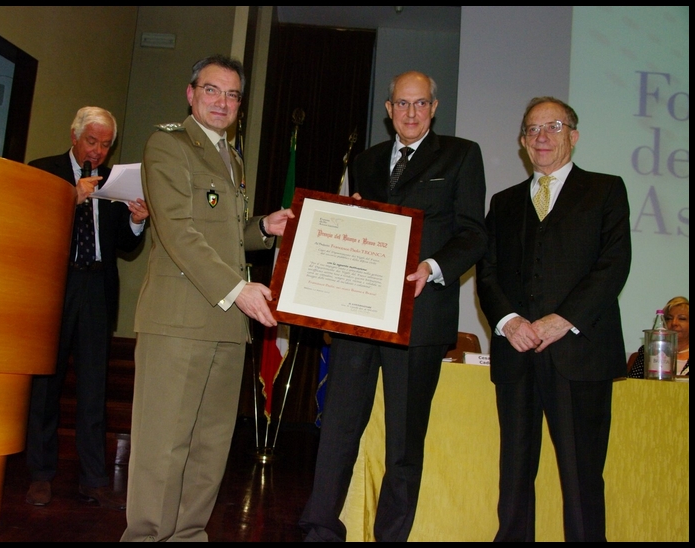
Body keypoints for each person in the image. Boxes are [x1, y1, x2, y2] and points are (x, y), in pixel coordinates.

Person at [299, 70, 487, 542]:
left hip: (420, 318)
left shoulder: (462, 155)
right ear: (388, 110)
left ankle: (390, 537)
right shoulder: (366, 161)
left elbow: (473, 233)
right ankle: (320, 527)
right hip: (358, 315)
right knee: (338, 427)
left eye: (420, 103)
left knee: (404, 442)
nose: (410, 113)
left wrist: (433, 267)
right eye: (401, 104)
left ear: (434, 107)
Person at [120, 54, 295, 542]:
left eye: (233, 94)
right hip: (178, 322)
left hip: (224, 325)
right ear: (191, 93)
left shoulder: (230, 155)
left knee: (209, 446)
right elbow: (178, 231)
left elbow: (222, 235)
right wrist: (238, 289)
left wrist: (261, 227)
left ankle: (188, 536)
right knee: (164, 446)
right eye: (212, 90)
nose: (223, 102)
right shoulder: (168, 144)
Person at [476, 96, 632, 541]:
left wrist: (561, 320)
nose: (542, 137)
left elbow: (613, 264)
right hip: (516, 356)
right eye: (532, 129)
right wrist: (508, 321)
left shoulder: (605, 190)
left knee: (582, 480)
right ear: (523, 142)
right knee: (515, 478)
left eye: (554, 127)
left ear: (574, 136)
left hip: (579, 357)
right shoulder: (503, 203)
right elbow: (486, 272)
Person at [25, 106, 149, 510]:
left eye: (106, 144)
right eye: (92, 141)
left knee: (95, 386)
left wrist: (136, 221)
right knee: (47, 384)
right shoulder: (43, 171)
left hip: (97, 285)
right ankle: (40, 475)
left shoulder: (115, 183)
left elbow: (126, 247)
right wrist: (70, 199)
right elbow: (33, 226)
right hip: (56, 285)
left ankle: (94, 477)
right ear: (74, 136)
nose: (98, 151)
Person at [628, 296, 689, 378]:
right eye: (669, 318)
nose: (674, 323)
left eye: (682, 319)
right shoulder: (649, 351)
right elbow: (633, 383)